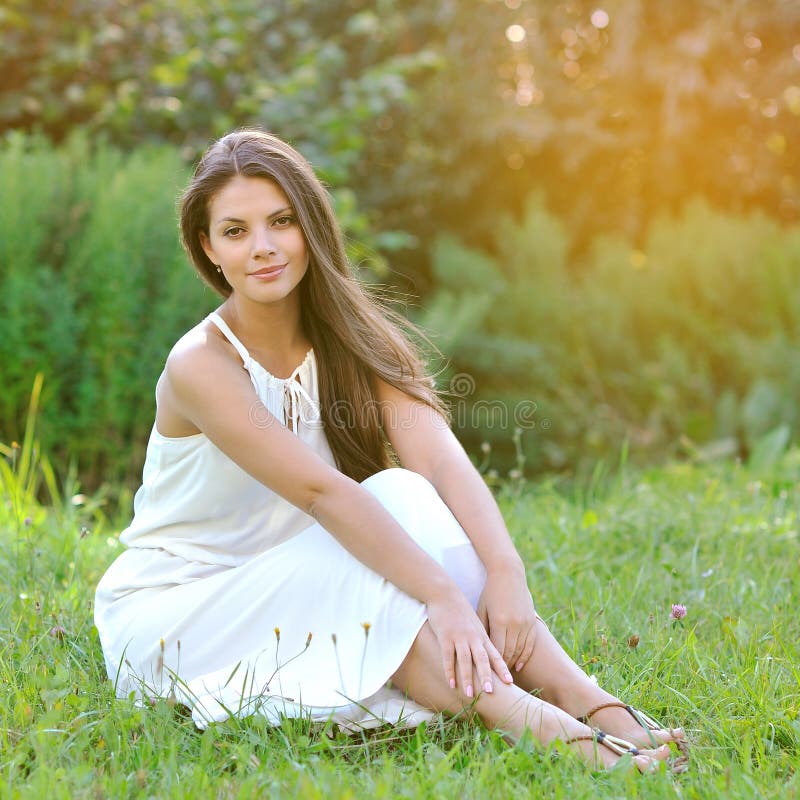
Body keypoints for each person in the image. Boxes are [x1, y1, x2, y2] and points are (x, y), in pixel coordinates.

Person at [94, 128, 687, 772]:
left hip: (301, 576)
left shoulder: (348, 337)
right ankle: (564, 739)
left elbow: (435, 460)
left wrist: (507, 573)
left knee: (402, 491)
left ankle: (588, 698)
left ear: (311, 227)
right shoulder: (200, 365)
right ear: (208, 248)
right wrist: (443, 596)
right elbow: (323, 493)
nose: (262, 248)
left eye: (281, 222)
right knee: (374, 581)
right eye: (235, 232)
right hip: (182, 611)